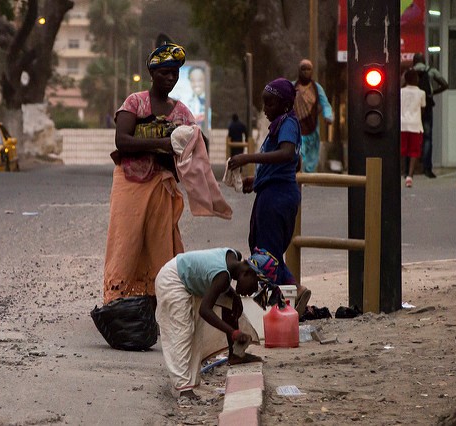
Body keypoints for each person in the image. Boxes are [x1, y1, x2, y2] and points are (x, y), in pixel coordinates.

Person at [103, 42, 195, 306]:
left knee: (160, 245)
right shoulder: (135, 103)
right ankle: (117, 301)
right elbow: (122, 140)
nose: (170, 78)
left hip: (161, 186)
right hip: (130, 183)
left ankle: (159, 302)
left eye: (175, 73)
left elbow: (194, 146)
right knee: (126, 240)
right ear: (152, 73)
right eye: (165, 72)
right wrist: (161, 144)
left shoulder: (181, 113)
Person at [226, 78, 312, 316]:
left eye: (270, 104)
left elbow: (285, 154)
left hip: (278, 198)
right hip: (272, 192)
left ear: (284, 105)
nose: (265, 109)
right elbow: (283, 164)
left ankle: (288, 297)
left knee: (266, 257)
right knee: (265, 250)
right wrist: (257, 180)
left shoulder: (288, 124)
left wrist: (247, 158)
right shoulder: (279, 125)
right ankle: (282, 301)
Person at [155, 247, 277, 399]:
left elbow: (217, 282)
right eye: (255, 285)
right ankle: (183, 389)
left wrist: (234, 296)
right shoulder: (222, 277)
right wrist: (233, 333)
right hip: (172, 280)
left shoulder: (234, 257)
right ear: (246, 273)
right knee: (182, 333)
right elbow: (205, 311)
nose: (252, 292)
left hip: (189, 280)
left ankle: (236, 355)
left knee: (230, 302)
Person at [293, 59, 333, 173]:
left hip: (312, 128)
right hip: (297, 128)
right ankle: (299, 175)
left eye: (308, 69)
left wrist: (328, 116)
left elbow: (325, 104)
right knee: (299, 152)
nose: (306, 72)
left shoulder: (317, 88)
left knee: (312, 157)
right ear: (299, 71)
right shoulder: (292, 87)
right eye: (303, 69)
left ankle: (306, 176)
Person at [412, 52, 448, 178]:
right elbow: (445, 84)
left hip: (414, 108)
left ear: (414, 61)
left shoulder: (410, 72)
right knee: (427, 138)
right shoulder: (431, 71)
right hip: (427, 107)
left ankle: (409, 170)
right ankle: (427, 169)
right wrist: (433, 93)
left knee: (413, 137)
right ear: (423, 60)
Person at [400, 68, 426, 188]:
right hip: (416, 125)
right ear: (417, 79)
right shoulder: (421, 93)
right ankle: (410, 176)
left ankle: (401, 172)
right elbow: (423, 108)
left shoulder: (400, 92)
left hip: (402, 124)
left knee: (402, 150)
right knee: (414, 152)